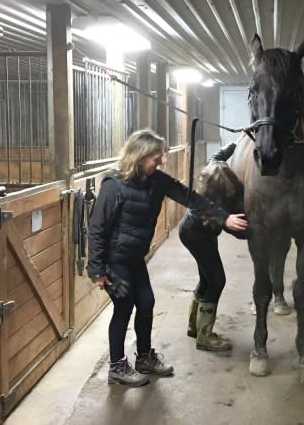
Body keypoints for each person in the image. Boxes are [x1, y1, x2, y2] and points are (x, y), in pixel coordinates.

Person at [87, 130, 248, 387]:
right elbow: (97, 228)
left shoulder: (156, 180)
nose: (161, 160)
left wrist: (223, 217)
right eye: (156, 156)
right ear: (139, 157)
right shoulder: (112, 185)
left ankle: (144, 358)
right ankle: (117, 365)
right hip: (114, 261)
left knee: (147, 303)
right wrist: (97, 269)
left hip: (135, 257)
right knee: (124, 307)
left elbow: (191, 198)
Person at [179, 142, 245, 352]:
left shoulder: (213, 168)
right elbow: (236, 231)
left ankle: (193, 326)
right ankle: (205, 336)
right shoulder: (213, 208)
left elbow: (218, 155)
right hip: (197, 236)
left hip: (192, 231)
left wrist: (237, 142)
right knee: (217, 281)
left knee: (206, 279)